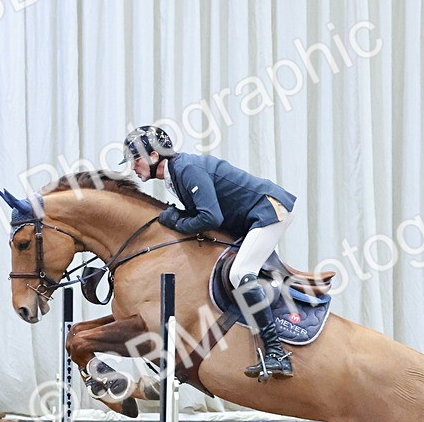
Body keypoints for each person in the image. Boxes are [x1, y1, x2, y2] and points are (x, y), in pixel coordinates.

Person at [122, 125, 297, 381]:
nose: (132, 168)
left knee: (240, 273)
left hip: (268, 210)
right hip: (249, 216)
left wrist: (177, 221)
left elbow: (211, 217)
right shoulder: (176, 174)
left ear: (154, 156)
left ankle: (276, 352)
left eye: (135, 159)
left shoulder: (186, 169)